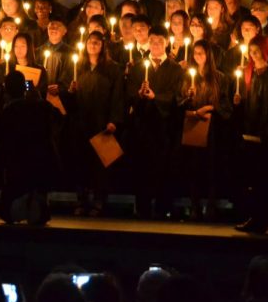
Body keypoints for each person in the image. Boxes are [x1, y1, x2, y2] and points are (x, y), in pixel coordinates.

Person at [63, 31, 125, 217]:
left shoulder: (112, 69)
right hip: (80, 122)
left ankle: (98, 200)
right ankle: (81, 198)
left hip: (101, 122)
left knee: (100, 164)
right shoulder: (77, 67)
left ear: (103, 46)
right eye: (90, 42)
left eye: (97, 43)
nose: (93, 45)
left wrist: (114, 120)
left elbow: (118, 96)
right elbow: (67, 99)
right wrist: (70, 91)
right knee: (80, 161)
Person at [126, 26, 184, 219]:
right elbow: (129, 93)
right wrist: (139, 95)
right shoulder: (138, 67)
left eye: (159, 41)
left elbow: (177, 95)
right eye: (152, 41)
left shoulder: (175, 69)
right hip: (143, 125)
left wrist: (156, 96)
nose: (156, 45)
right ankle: (142, 206)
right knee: (142, 166)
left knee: (164, 167)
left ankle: (162, 207)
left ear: (167, 43)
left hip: (165, 126)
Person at [0, 70, 62, 225]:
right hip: (40, 158)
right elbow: (57, 116)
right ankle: (37, 212)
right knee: (35, 191)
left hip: (18, 160)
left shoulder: (9, 110)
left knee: (14, 193)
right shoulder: (40, 106)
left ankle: (19, 212)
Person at [232, 34, 268, 233]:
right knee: (251, 179)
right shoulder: (248, 73)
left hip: (267, 133)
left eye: (257, 51)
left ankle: (262, 219)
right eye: (251, 52)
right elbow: (247, 103)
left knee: (264, 179)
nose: (253, 55)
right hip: (250, 131)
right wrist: (238, 101)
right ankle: (252, 217)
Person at [178, 40, 229, 220]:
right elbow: (178, 102)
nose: (198, 56)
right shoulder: (186, 77)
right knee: (194, 167)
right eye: (196, 53)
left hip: (213, 128)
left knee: (212, 167)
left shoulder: (219, 77)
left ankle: (211, 205)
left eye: (202, 53)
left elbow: (224, 104)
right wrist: (189, 102)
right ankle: (194, 205)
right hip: (193, 124)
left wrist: (210, 108)